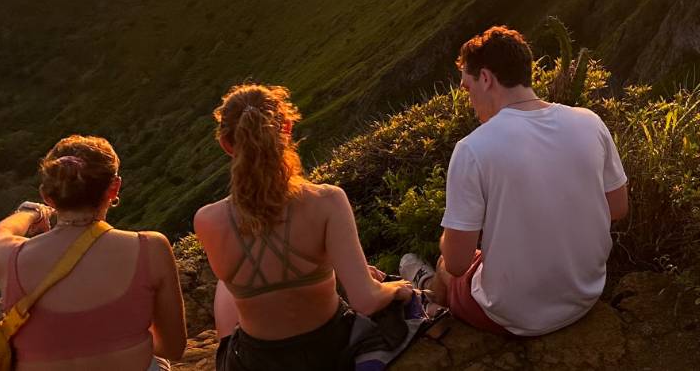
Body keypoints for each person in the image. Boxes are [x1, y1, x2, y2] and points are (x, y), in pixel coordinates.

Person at [402, 26, 628, 337]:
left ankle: (426, 290)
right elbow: (617, 208)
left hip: (514, 316)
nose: (468, 100)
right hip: (586, 295)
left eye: (467, 88)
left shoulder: (473, 148)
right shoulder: (589, 121)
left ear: (486, 78)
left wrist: (448, 242)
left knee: (445, 265)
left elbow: (457, 262)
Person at [194, 84, 416, 370]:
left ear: (226, 144)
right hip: (330, 351)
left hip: (258, 361)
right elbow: (366, 301)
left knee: (227, 282)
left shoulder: (207, 219)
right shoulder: (327, 201)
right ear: (286, 128)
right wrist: (396, 288)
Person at [0, 136, 186, 371]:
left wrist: (31, 212)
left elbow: (1, 231)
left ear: (47, 195)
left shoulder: (8, 256)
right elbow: (173, 349)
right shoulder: (151, 248)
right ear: (114, 188)